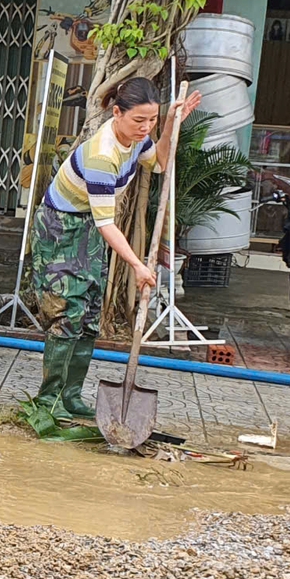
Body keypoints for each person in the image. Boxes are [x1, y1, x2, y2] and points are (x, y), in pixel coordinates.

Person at [26, 74, 203, 424]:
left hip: (89, 228)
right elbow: (108, 223)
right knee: (66, 313)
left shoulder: (138, 138)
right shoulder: (102, 155)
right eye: (139, 120)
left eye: (151, 119)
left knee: (90, 312)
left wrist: (169, 126)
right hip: (60, 228)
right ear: (117, 113)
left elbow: (160, 162)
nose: (145, 127)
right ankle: (48, 401)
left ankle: (72, 396)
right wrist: (138, 265)